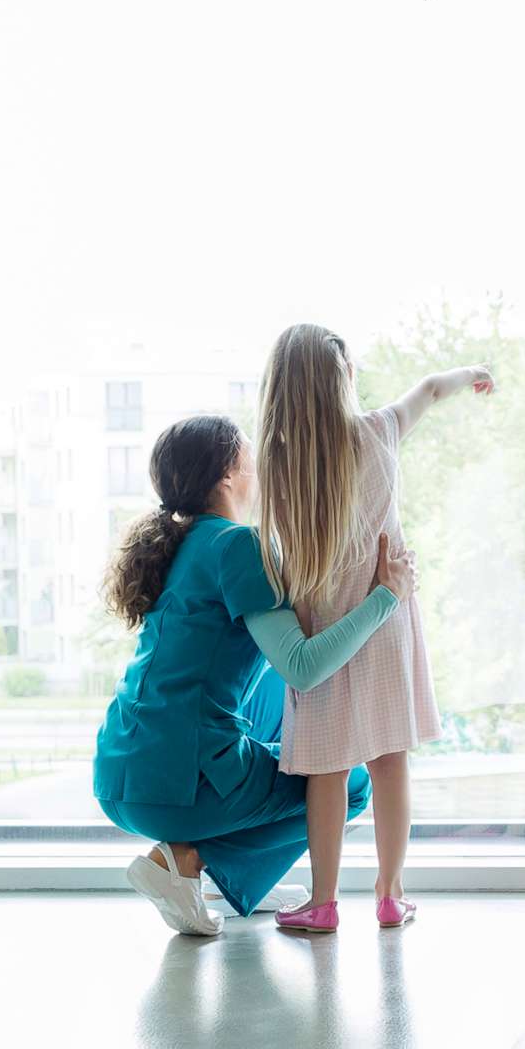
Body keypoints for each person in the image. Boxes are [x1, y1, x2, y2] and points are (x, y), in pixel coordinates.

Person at [93, 413, 414, 936]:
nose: (263, 469)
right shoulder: (238, 545)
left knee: (275, 701)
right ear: (227, 475)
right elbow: (305, 668)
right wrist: (386, 597)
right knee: (350, 785)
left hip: (121, 773)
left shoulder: (183, 544)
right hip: (179, 786)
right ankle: (184, 858)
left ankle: (231, 877)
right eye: (251, 457)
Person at [255, 323, 492, 934]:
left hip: (323, 626)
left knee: (327, 769)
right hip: (387, 617)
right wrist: (471, 375)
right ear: (344, 381)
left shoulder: (279, 465)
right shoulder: (380, 431)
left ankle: (324, 900)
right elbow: (430, 390)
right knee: (391, 761)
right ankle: (389, 893)